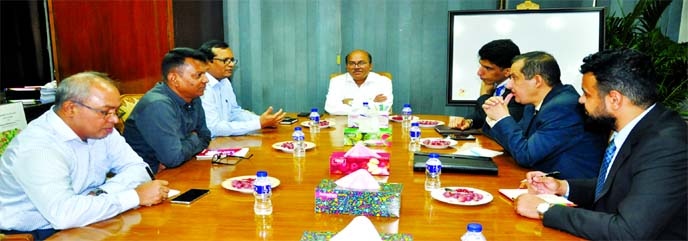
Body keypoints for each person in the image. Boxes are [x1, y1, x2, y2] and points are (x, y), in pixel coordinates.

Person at [514, 48, 687, 240]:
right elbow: (620, 186)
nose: (580, 100)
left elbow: (627, 232)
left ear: (614, 99)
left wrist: (544, 209)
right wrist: (562, 187)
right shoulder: (642, 126)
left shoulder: (667, 146)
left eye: (587, 95)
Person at [0, 72, 169, 240]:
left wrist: (100, 194)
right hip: (38, 233)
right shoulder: (38, 147)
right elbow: (64, 215)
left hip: (88, 219)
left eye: (115, 111)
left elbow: (139, 169)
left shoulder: (102, 130)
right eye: (105, 112)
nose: (115, 120)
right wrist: (134, 196)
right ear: (71, 108)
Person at [481, 51, 606, 179]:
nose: (508, 84)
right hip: (541, 180)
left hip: (569, 190)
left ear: (537, 81)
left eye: (514, 78)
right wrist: (494, 118)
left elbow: (525, 155)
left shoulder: (563, 107)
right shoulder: (532, 105)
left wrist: (503, 118)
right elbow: (516, 144)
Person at [124, 48, 212, 173]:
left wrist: (187, 143)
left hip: (180, 168)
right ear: (174, 79)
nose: (206, 80)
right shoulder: (158, 105)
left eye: (205, 74)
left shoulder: (193, 97)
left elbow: (206, 137)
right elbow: (173, 158)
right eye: (198, 75)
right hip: (149, 177)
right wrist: (193, 137)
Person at [198, 40, 285, 137]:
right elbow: (214, 128)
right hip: (210, 143)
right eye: (225, 60)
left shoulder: (224, 81)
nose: (231, 64)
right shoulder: (202, 86)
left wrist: (263, 120)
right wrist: (258, 123)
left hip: (225, 140)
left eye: (232, 60)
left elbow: (235, 113)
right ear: (206, 62)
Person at [449, 39, 524, 130]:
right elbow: (481, 115)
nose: (479, 72)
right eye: (481, 65)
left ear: (507, 71)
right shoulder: (495, 85)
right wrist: (469, 121)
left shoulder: (518, 93)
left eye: (488, 68)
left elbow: (494, 120)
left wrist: (484, 96)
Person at [324, 49, 393, 115]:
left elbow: (384, 108)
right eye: (352, 63)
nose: (356, 67)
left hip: (373, 124)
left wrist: (350, 102)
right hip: (343, 124)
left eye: (361, 63)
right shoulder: (337, 81)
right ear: (347, 67)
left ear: (370, 66)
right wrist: (371, 102)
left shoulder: (383, 81)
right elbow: (330, 108)